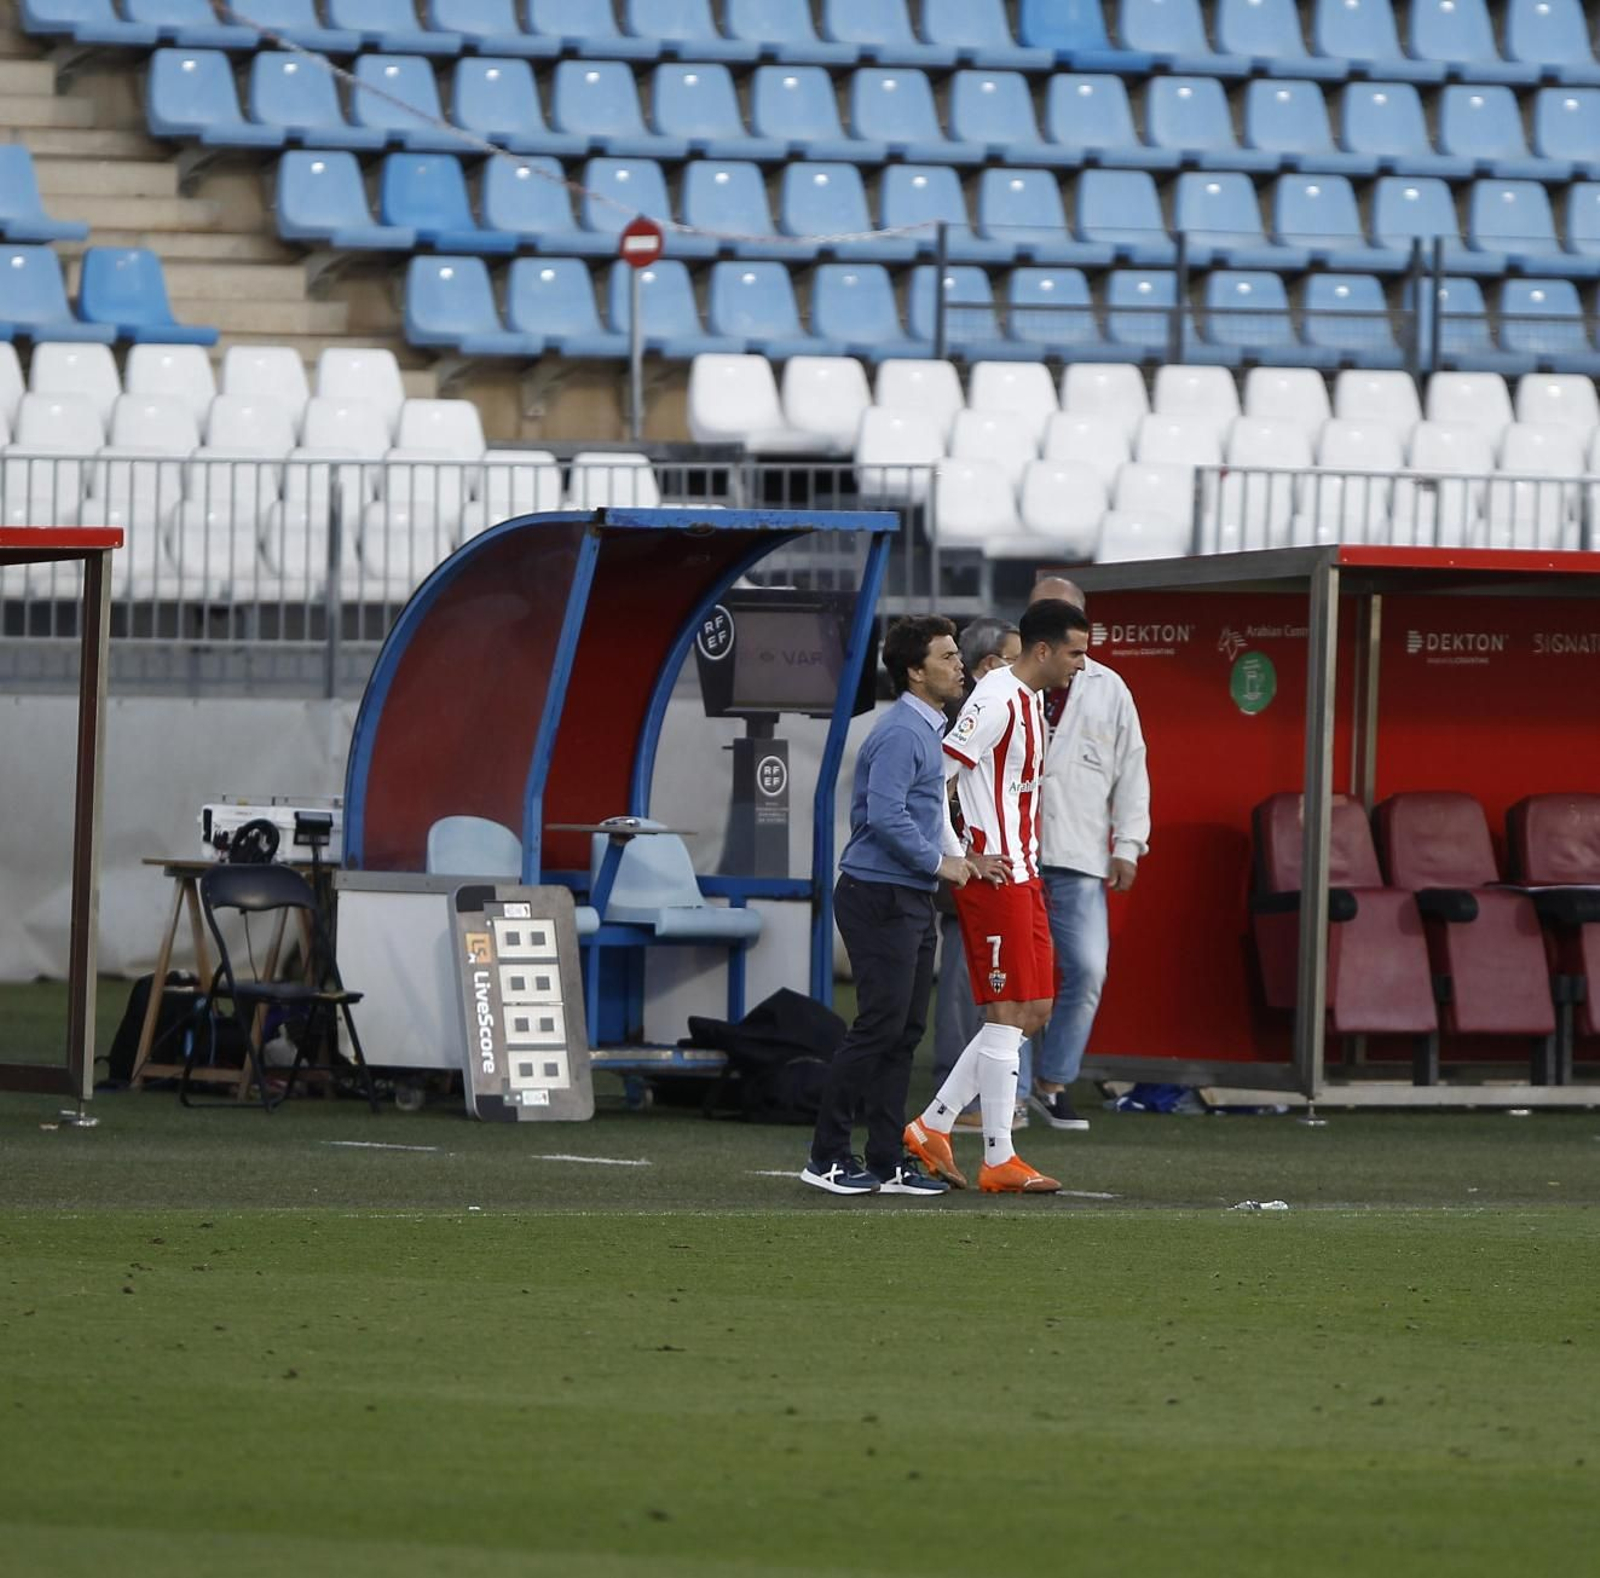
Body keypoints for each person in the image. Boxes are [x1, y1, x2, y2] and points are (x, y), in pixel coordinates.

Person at [802, 615, 999, 1198]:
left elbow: (925, 811)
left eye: (956, 654)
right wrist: (942, 865)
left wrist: (962, 857)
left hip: (904, 896)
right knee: (878, 1027)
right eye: (946, 656)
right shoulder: (899, 734)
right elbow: (885, 816)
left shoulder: (927, 729)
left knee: (905, 1029)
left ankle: (886, 1158)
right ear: (915, 672)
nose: (958, 664)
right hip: (878, 895)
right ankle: (827, 1156)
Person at [904, 598, 1091, 1194]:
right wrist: (957, 854)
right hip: (994, 877)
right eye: (1075, 653)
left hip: (1023, 871)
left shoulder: (1031, 697)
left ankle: (933, 1126)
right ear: (1044, 650)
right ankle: (998, 1156)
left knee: (1033, 1010)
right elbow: (938, 771)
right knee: (1008, 1011)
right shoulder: (993, 698)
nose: (1081, 666)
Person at [1026, 576, 1150, 1131]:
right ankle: (1011, 1086)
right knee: (1019, 976)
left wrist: (1128, 843)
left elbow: (1132, 769)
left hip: (1079, 852)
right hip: (1015, 851)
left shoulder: (1110, 687)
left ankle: (1053, 1083)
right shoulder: (1006, 678)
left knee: (1087, 969)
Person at [931, 617, 1023, 1126]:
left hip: (983, 865)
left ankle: (979, 1094)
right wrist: (961, 857)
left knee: (989, 981)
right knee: (968, 980)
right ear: (992, 664)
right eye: (1014, 657)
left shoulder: (998, 710)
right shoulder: (975, 718)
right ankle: (955, 1091)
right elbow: (940, 792)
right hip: (966, 869)